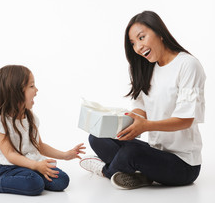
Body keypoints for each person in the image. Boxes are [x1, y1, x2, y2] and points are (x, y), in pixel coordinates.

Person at [79, 11, 206, 189]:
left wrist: (146, 125)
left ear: (160, 33)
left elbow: (186, 119)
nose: (138, 47)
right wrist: (119, 123)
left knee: (132, 153)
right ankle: (140, 174)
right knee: (97, 137)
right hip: (155, 152)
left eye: (141, 37)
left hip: (183, 164)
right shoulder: (147, 69)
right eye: (133, 43)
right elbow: (140, 109)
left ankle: (106, 170)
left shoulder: (187, 65)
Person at [0, 65, 85, 196]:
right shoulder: (0, 123)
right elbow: (10, 155)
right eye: (31, 86)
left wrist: (65, 155)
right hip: (10, 167)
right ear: (15, 92)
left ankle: (29, 178)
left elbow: (39, 146)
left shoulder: (31, 118)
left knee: (62, 181)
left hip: (32, 162)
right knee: (34, 184)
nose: (36, 90)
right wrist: (36, 166)